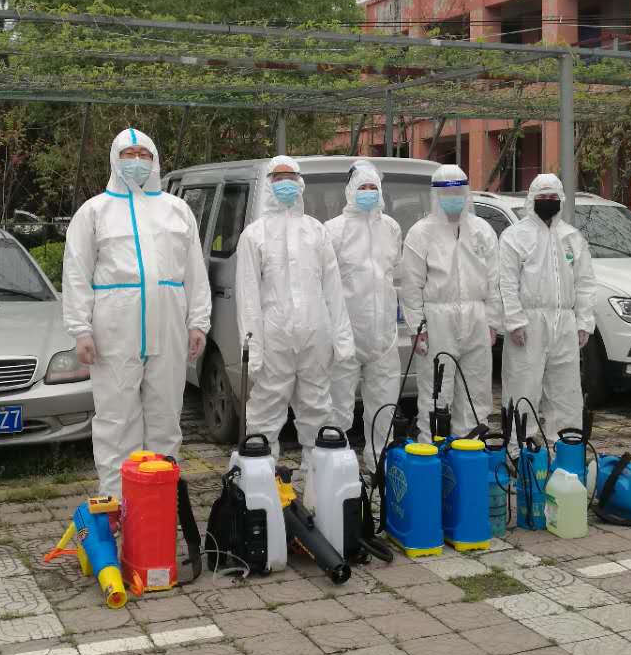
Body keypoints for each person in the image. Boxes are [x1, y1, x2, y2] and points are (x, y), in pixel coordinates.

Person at [62, 128, 211, 497]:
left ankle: (159, 504)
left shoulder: (176, 210)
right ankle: (117, 506)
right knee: (117, 421)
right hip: (115, 330)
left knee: (165, 418)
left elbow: (195, 270)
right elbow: (77, 272)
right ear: (115, 159)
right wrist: (80, 330)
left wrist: (198, 322)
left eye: (143, 154)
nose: (137, 161)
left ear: (155, 160)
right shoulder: (94, 211)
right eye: (128, 154)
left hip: (169, 325)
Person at [236, 155, 355, 460]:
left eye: (291, 177)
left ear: (300, 183)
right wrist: (253, 348)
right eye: (278, 178)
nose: (285, 183)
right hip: (274, 340)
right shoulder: (254, 235)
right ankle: (261, 480)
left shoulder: (316, 231)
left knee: (318, 410)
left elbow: (333, 289)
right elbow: (248, 296)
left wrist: (342, 339)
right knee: (264, 414)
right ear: (269, 184)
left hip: (316, 336)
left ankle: (318, 480)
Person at [399, 164, 500, 443]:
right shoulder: (421, 233)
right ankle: (433, 452)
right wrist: (417, 327)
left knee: (476, 390)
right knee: (436, 391)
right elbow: (411, 285)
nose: (453, 197)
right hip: (437, 319)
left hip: (477, 317)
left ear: (466, 192)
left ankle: (470, 451)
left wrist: (493, 321)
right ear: (436, 194)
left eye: (458, 191)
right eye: (447, 192)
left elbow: (495, 280)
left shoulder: (482, 230)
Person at [498, 173, 596, 444]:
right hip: (529, 323)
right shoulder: (515, 236)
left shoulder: (571, 237)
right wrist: (515, 321)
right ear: (532, 199)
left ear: (561, 199)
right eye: (542, 197)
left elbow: (585, 282)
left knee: (566, 389)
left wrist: (584, 322)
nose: (548, 201)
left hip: (564, 322)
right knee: (523, 385)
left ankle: (566, 447)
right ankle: (519, 448)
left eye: (553, 197)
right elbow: (506, 282)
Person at [325, 161, 404, 470]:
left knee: (384, 408)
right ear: (350, 191)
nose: (368, 193)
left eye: (373, 187)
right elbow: (326, 283)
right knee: (337, 408)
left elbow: (393, 273)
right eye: (362, 187)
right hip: (346, 335)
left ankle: (379, 466)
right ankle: (336, 467)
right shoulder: (334, 230)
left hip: (383, 337)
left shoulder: (391, 228)